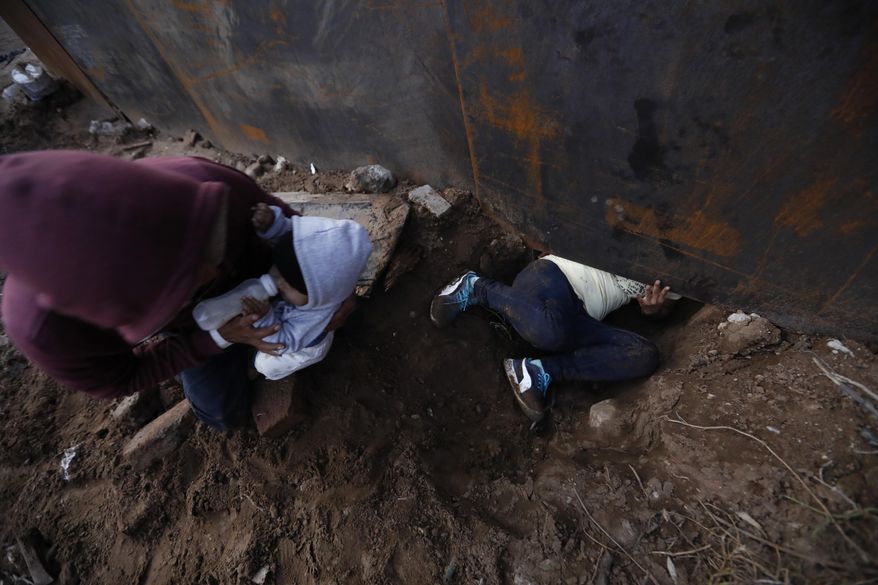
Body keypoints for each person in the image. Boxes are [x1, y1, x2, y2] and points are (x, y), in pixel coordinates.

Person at [0, 151, 356, 430]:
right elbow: (120, 377)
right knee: (222, 414)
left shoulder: (204, 187)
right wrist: (215, 339)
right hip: (192, 329)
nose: (210, 272)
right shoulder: (49, 333)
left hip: (261, 273)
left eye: (203, 243)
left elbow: (297, 233)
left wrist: (329, 287)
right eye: (178, 283)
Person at [429, 255, 679, 422]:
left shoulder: (687, 257)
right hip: (553, 277)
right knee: (550, 330)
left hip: (582, 319)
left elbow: (666, 309)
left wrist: (652, 309)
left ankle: (536, 372)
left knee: (645, 354)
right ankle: (477, 287)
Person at [221, 202, 371, 380]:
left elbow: (284, 342)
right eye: (278, 272)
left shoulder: (314, 315)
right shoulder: (302, 264)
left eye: (287, 286)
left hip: (302, 343)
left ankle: (265, 372)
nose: (277, 283)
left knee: (265, 364)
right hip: (295, 317)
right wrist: (273, 224)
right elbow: (289, 239)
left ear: (317, 298)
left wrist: (264, 319)